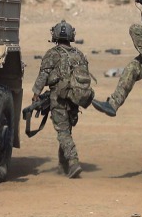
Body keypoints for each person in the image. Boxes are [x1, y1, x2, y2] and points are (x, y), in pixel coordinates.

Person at [30, 20, 107, 178]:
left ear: (55, 35)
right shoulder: (79, 54)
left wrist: (36, 93)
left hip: (58, 98)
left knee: (63, 132)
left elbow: (43, 75)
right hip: (75, 99)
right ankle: (63, 165)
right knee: (66, 131)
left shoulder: (52, 54)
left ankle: (73, 162)